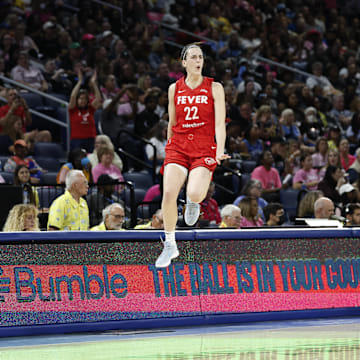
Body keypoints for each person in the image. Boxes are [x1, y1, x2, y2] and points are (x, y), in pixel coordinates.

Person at [155, 43, 229, 268]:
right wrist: (168, 145)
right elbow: (172, 121)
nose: (198, 60)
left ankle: (192, 201)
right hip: (178, 145)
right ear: (184, 63)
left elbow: (219, 123)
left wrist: (219, 149)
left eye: (201, 57)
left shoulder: (214, 87)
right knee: (168, 193)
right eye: (193, 57)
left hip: (203, 147)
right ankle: (170, 244)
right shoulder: (173, 88)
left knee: (195, 192)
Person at [68, 69, 101, 152]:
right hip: (77, 140)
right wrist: (79, 82)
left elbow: (98, 98)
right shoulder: (73, 109)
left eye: (85, 99)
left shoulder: (90, 109)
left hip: (91, 139)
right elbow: (72, 96)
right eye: (80, 98)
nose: (82, 100)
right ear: (77, 99)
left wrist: (93, 84)